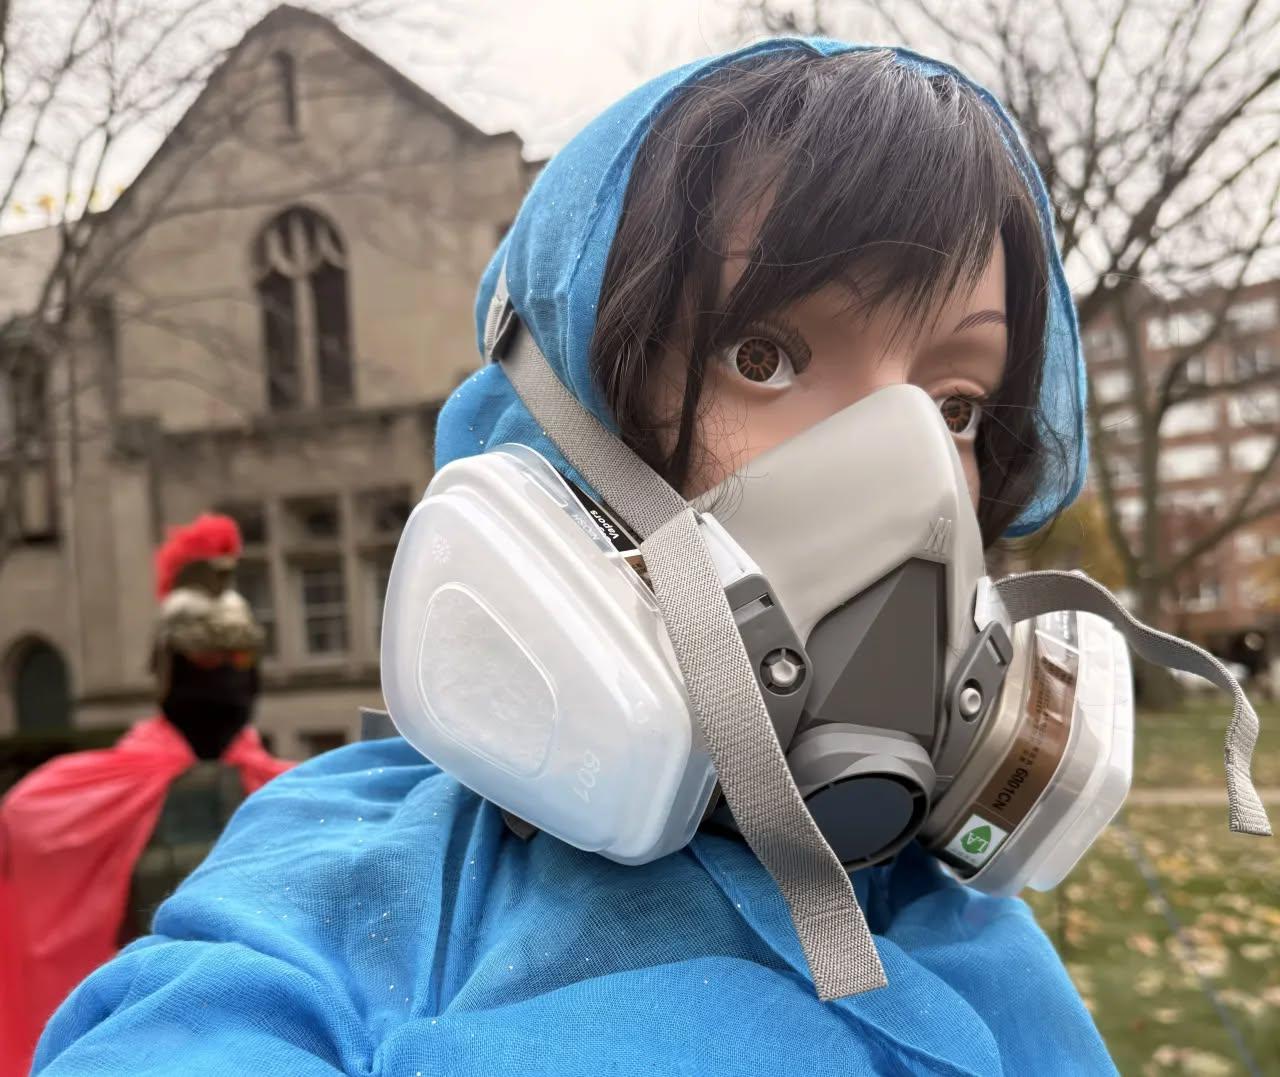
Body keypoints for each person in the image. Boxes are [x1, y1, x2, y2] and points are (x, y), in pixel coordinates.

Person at [29, 41, 1269, 1076]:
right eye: (766, 356)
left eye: (952, 403)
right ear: (559, 420)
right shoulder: (351, 890)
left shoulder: (964, 925)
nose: (904, 474)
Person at [1, 513, 290, 1075]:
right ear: (168, 670)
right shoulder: (69, 798)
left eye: (241, 660)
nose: (228, 679)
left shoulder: (292, 789)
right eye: (206, 660)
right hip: (124, 1038)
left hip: (260, 1037)